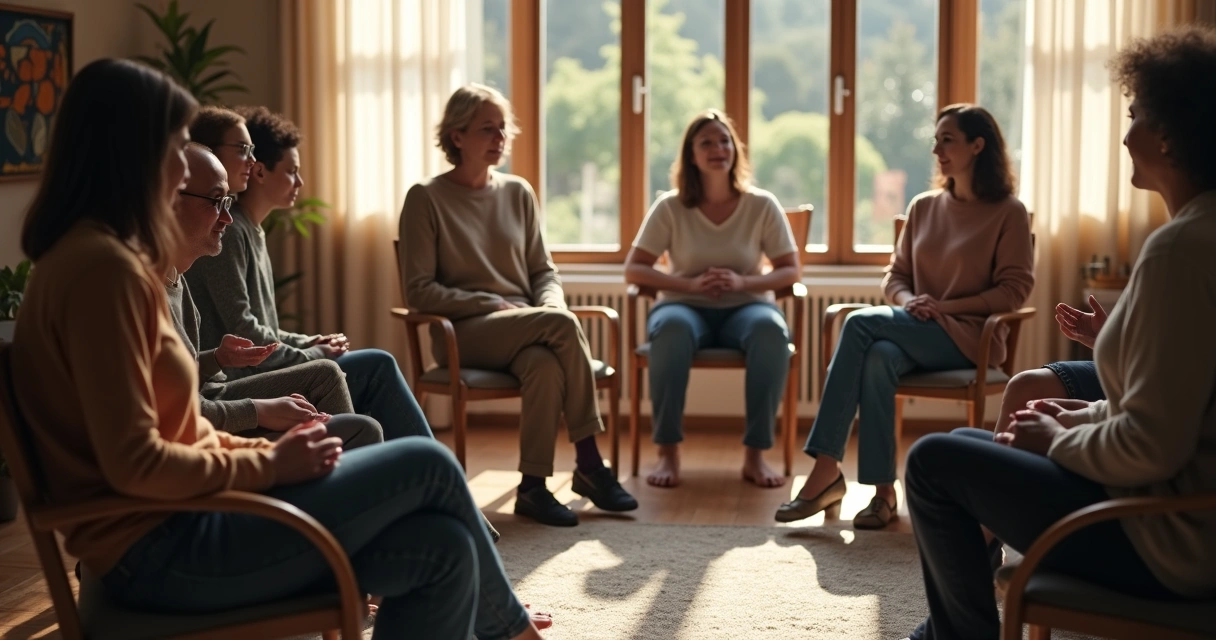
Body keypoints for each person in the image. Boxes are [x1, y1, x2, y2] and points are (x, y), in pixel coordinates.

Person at [11, 57, 544, 640]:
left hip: (185, 524)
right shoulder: (102, 271)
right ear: (130, 154)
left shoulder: (104, 260)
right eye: (171, 145)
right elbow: (136, 462)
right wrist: (269, 463)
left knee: (440, 547)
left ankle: (506, 630)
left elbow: (178, 428)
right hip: (164, 552)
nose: (179, 162)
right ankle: (514, 634)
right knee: (428, 463)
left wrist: (261, 445)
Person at [902, 26, 1216, 640]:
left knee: (934, 461)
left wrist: (1055, 438)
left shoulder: (1179, 251)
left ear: (1170, 134)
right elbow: (1178, 408)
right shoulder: (1197, 236)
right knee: (973, 441)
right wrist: (1080, 419)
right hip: (1181, 511)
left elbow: (1155, 447)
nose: (1126, 134)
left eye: (1135, 115)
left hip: (1169, 541)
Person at [776, 104, 1035, 529]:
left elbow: (1013, 292)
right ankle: (882, 495)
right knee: (877, 357)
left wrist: (943, 307)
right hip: (917, 327)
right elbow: (895, 277)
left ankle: (825, 470)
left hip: (971, 339)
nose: (936, 149)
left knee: (859, 323)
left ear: (977, 145)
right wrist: (911, 299)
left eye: (946, 140)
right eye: (935, 140)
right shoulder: (923, 206)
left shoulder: (1008, 212)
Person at [399, 83, 637, 527]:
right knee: (560, 329)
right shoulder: (426, 199)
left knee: (546, 364)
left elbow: (543, 272)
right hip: (465, 334)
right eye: (487, 128)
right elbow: (419, 291)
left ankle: (532, 487)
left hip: (529, 327)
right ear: (457, 137)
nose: (500, 137)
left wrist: (547, 307)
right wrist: (486, 301)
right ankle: (589, 462)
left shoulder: (518, 193)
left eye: (503, 128)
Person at [183, 106, 433, 443]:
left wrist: (308, 342)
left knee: (371, 366)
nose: (252, 160)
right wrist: (314, 354)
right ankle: (394, 467)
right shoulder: (224, 232)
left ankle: (396, 466)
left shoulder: (245, 229)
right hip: (239, 375)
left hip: (240, 371)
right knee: (373, 368)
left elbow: (260, 327)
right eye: (243, 150)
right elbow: (244, 330)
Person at [624, 109, 800, 489]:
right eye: (706, 143)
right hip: (683, 305)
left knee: (771, 331)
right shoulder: (670, 206)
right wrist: (690, 286)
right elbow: (635, 269)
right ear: (691, 155)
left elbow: (790, 271)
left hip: (748, 305)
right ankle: (667, 453)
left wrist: (742, 282)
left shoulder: (761, 204)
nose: (718, 149)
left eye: (724, 141)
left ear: (735, 150)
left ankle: (756, 456)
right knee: (670, 329)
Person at [171, 141, 383, 448]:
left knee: (354, 386)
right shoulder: (145, 286)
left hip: (215, 391)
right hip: (217, 405)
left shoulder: (179, 276)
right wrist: (259, 410)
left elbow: (180, 376)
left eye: (226, 203)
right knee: (356, 409)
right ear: (170, 199)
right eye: (243, 149)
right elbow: (179, 409)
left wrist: (217, 357)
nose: (252, 159)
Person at [993, 295, 1110, 433]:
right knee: (1025, 385)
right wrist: (1109, 339)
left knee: (962, 438)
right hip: (1126, 363)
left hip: (1135, 378)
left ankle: (1002, 452)